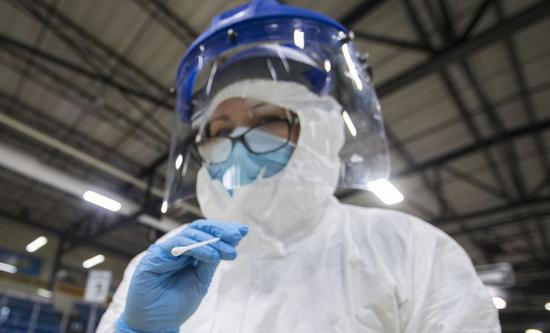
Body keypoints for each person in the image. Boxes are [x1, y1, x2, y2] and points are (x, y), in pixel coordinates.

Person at [98, 0, 501, 332]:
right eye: (219, 130)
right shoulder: (166, 264)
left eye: (267, 121)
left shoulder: (410, 251)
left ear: (319, 132)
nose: (237, 143)